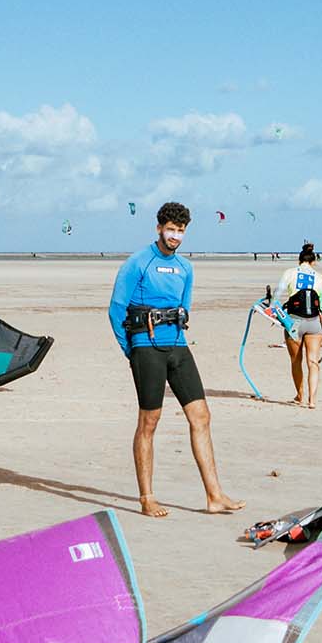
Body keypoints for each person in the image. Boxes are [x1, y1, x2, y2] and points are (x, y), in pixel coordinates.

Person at [108, 202, 244, 519]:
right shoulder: (138, 263)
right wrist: (132, 350)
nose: (175, 236)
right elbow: (116, 309)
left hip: (178, 347)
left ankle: (214, 495)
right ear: (159, 228)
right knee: (149, 422)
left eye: (180, 231)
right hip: (146, 348)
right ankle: (147, 498)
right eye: (170, 229)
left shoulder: (185, 268)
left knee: (201, 416)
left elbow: (185, 309)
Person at [276, 242, 322, 408]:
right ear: (314, 262)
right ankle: (312, 400)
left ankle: (299, 395)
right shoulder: (321, 278)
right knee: (313, 362)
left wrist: (271, 310)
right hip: (314, 323)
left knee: (296, 361)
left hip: (293, 323)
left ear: (299, 260)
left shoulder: (289, 273)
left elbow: (277, 295)